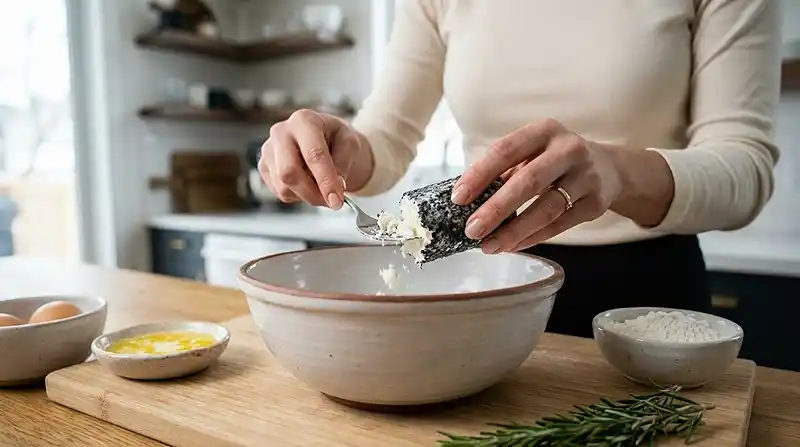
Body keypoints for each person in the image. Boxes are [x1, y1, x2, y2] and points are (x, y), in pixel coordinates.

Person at [258, 0, 781, 338]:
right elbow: (383, 141)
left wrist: (618, 171)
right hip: (488, 286)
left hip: (647, 298)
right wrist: (335, 149)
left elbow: (744, 167)